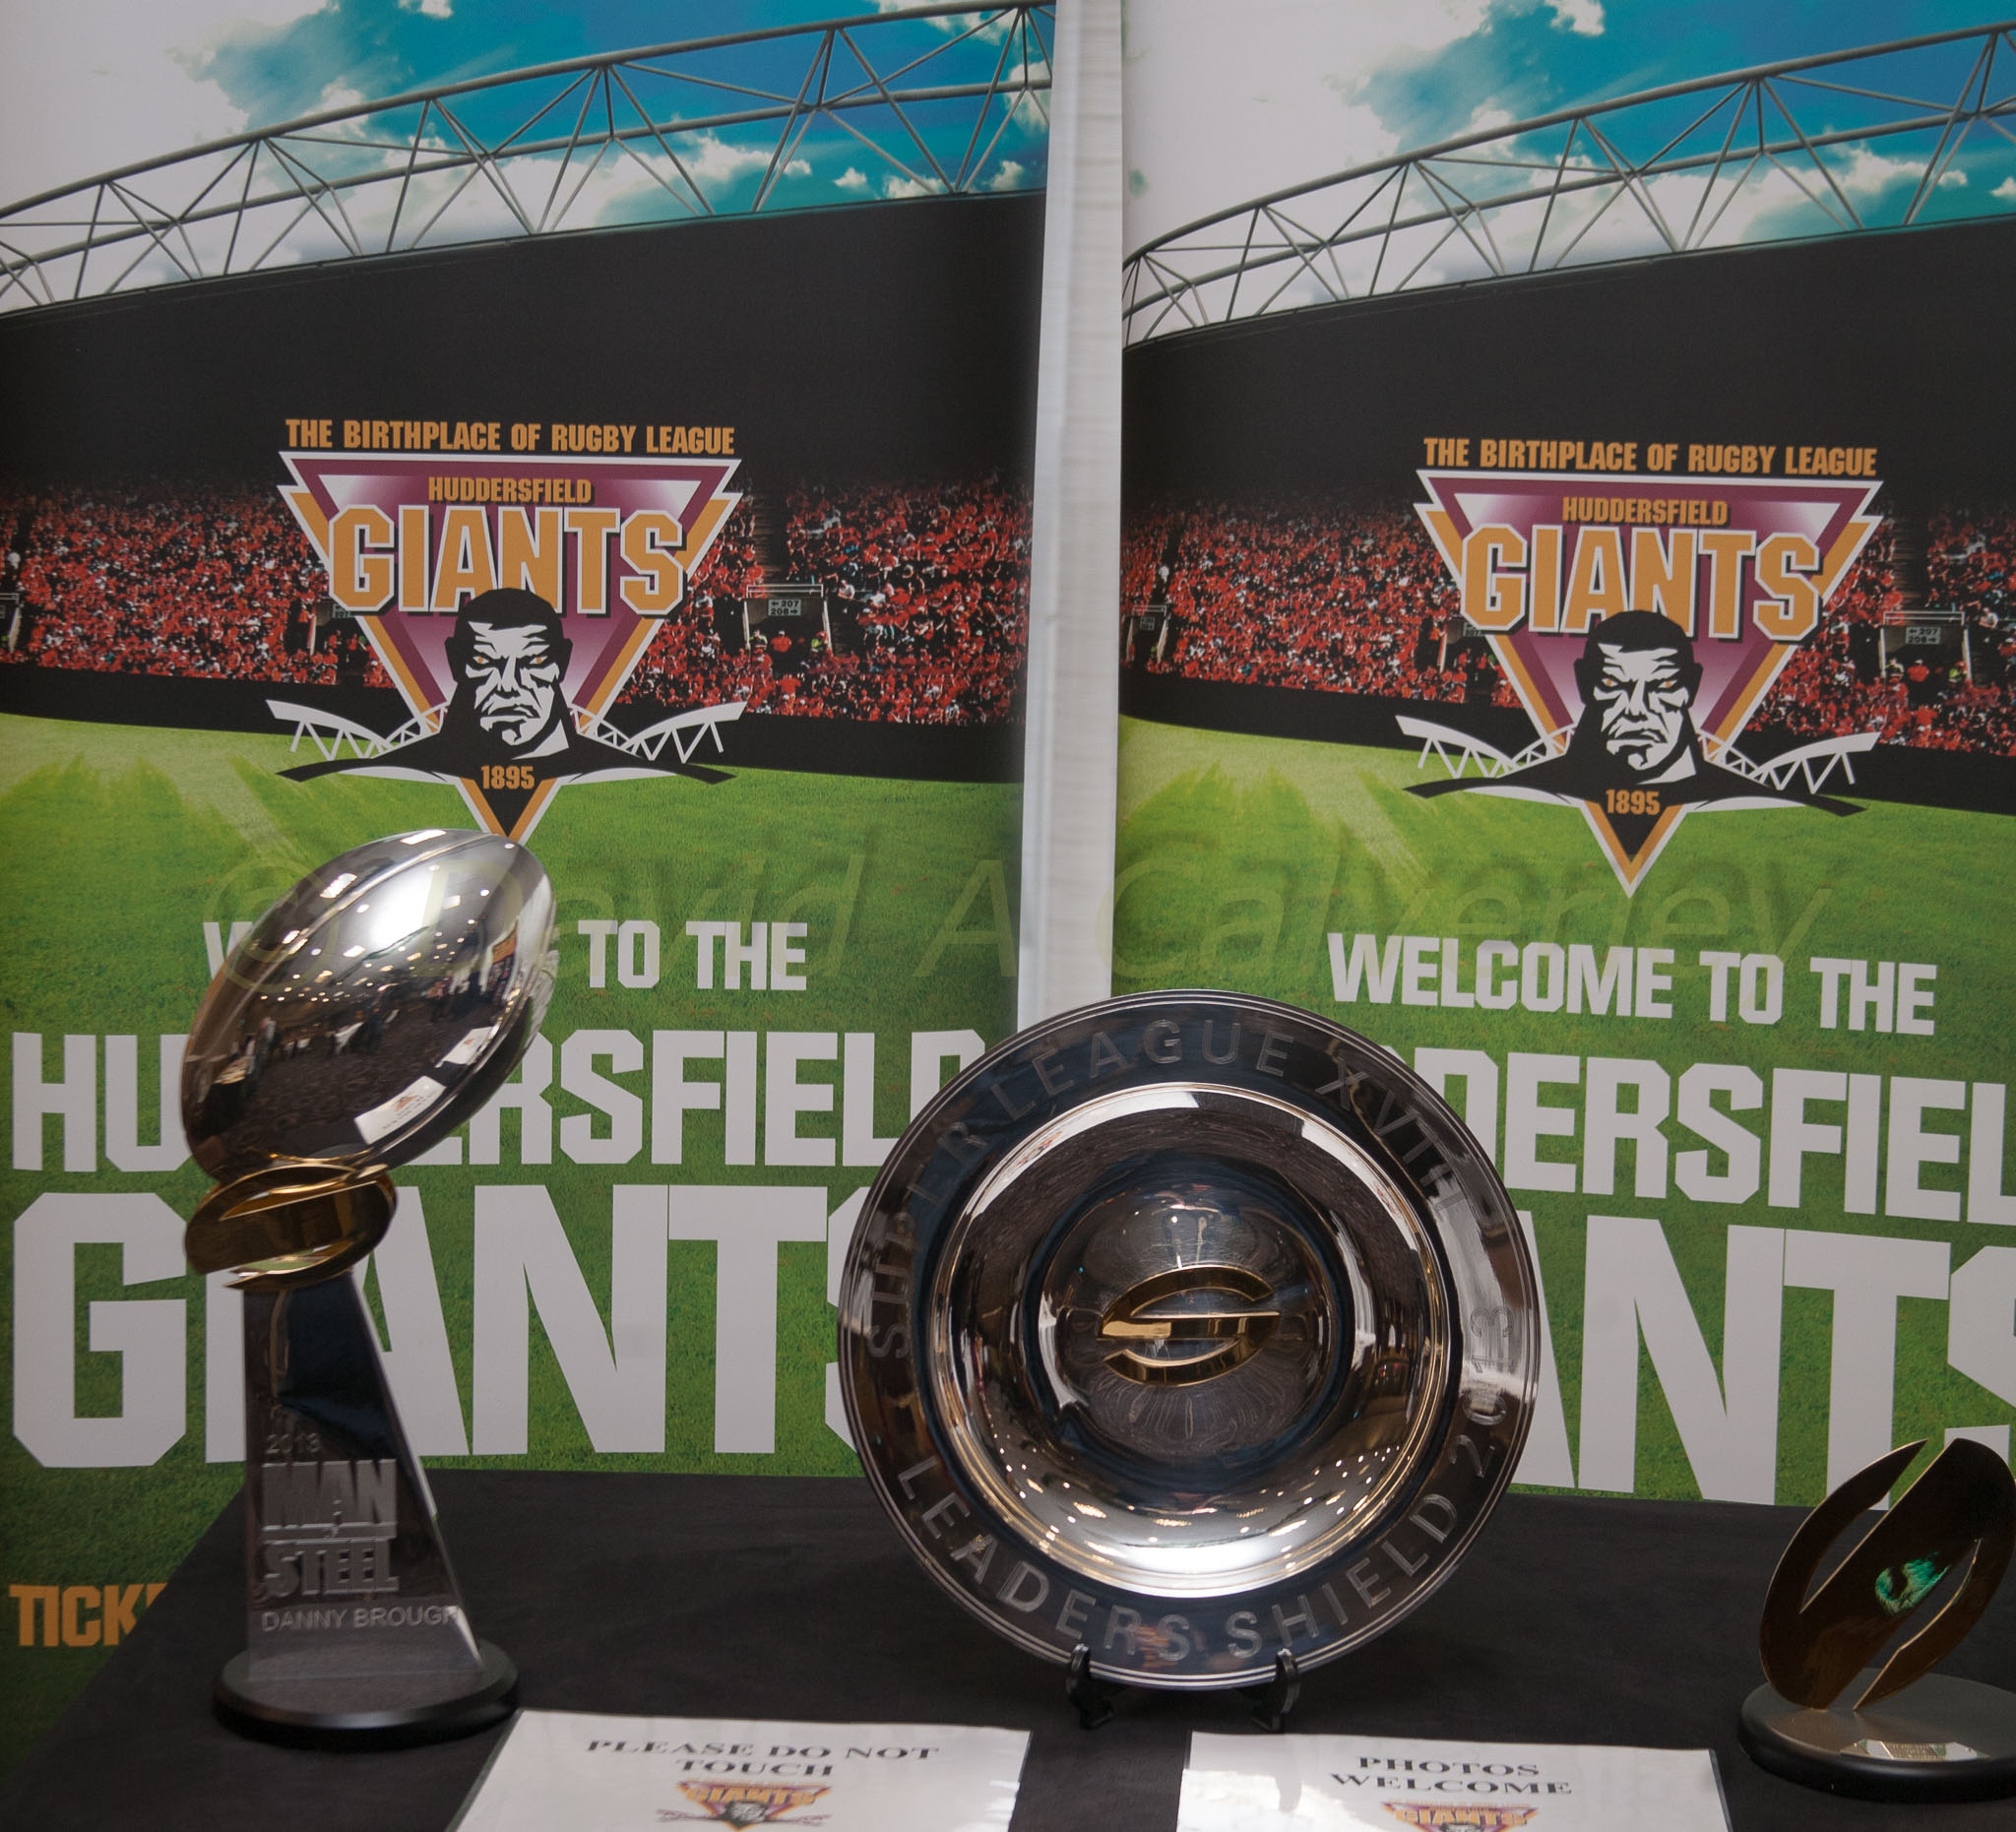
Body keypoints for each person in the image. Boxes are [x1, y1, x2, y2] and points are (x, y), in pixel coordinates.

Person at [284, 587, 726, 827]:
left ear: (561, 663)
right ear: (455, 663)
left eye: (531, 662)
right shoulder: (367, 777)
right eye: (485, 663)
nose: (509, 685)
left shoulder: (656, 782)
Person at [1411, 610, 1858, 844]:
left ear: (1691, 687)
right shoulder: (1511, 791)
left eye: (1661, 686)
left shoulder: (1764, 804)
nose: (1637, 708)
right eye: (1613, 684)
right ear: (1584, 685)